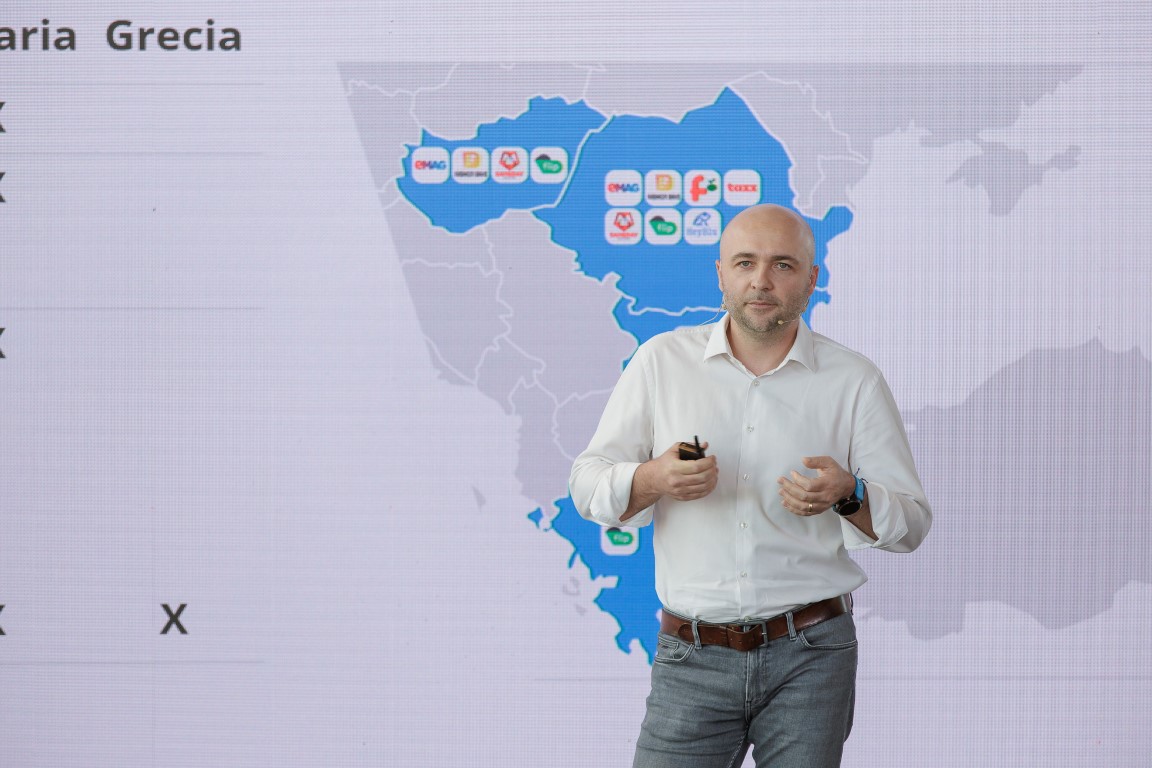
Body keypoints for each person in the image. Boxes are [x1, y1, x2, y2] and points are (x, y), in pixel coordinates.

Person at [569, 204, 931, 767]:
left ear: (811, 278)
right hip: (690, 655)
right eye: (745, 263)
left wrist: (849, 494)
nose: (761, 280)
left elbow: (910, 525)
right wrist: (652, 477)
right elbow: (587, 485)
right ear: (721, 273)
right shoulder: (661, 362)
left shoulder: (854, 381)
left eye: (782, 264)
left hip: (812, 655)